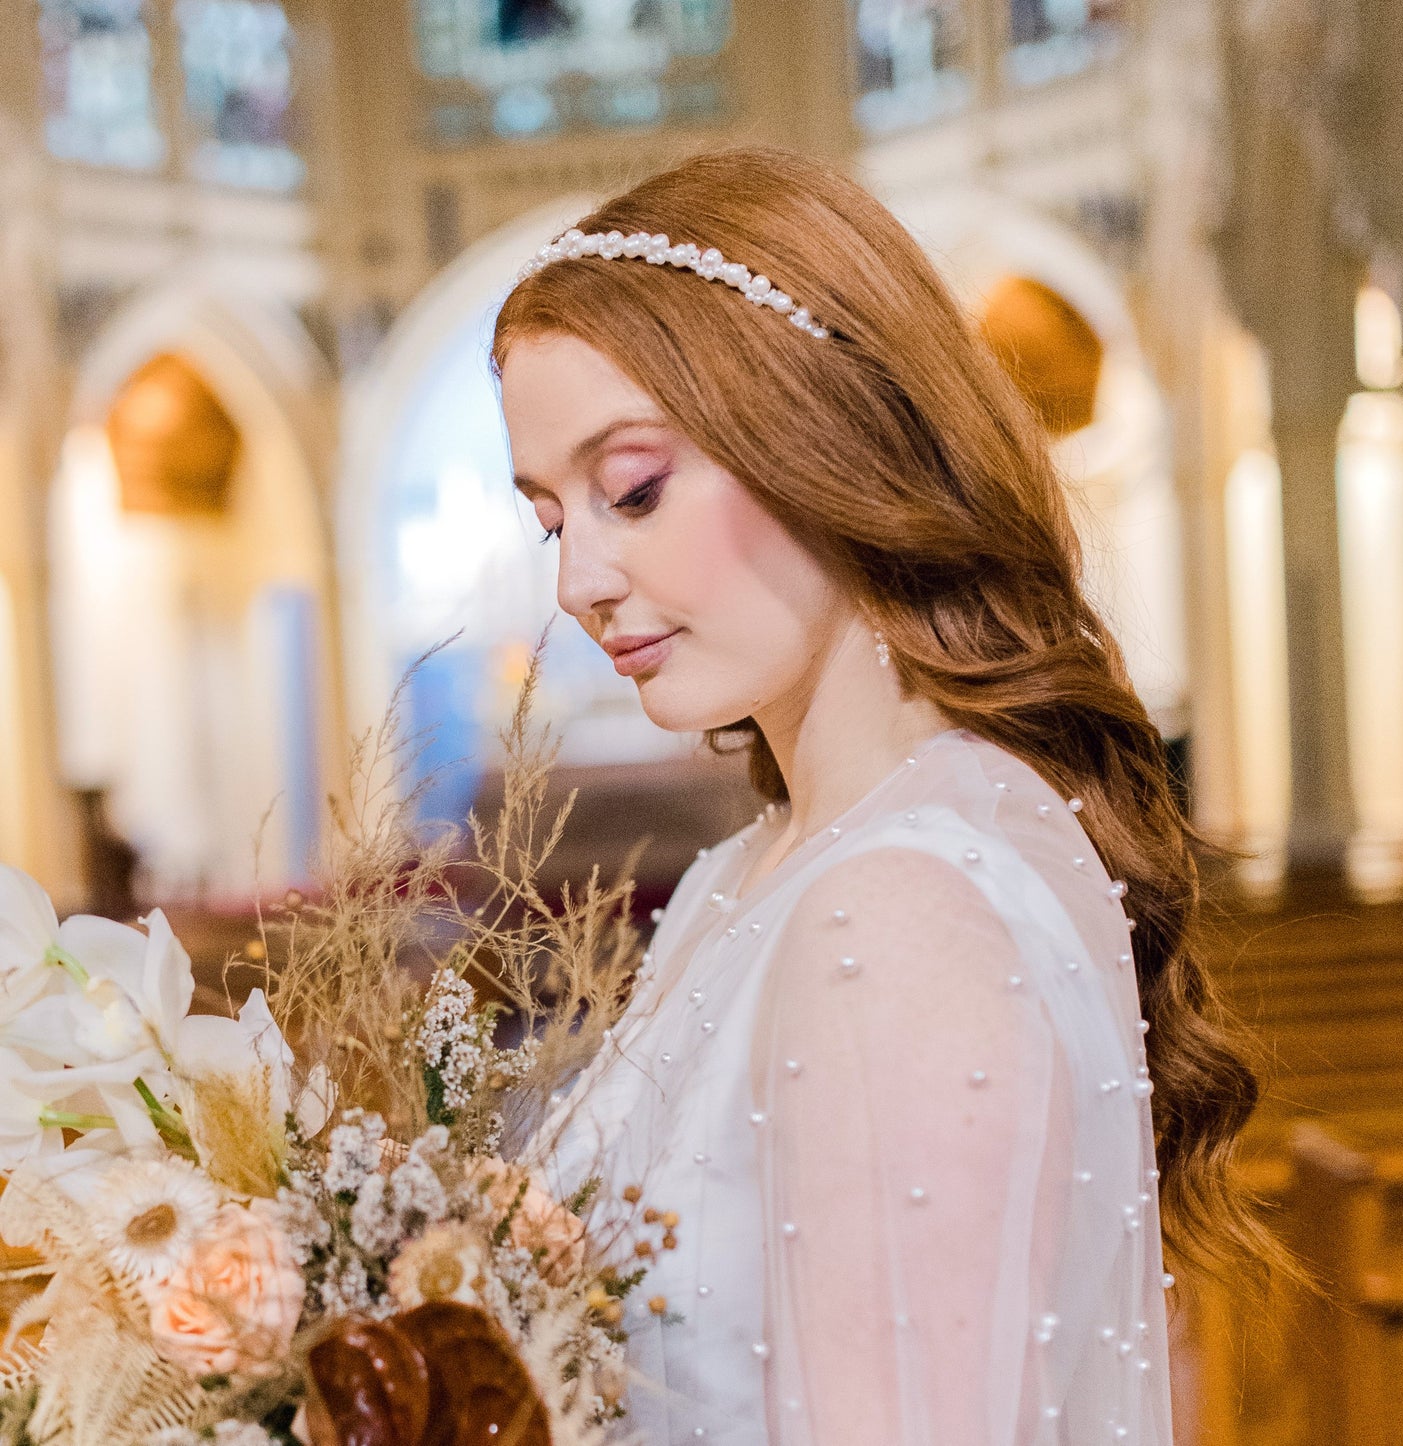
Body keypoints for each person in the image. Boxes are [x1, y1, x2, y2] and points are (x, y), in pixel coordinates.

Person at [495, 148, 1271, 1446]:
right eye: (549, 518)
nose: (579, 578)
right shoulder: (755, 868)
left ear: (819, 432)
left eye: (630, 488)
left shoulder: (895, 912)